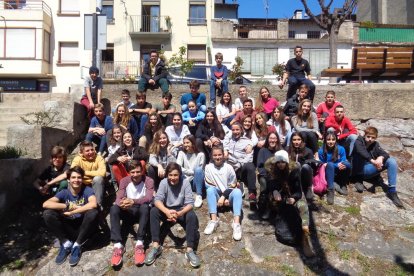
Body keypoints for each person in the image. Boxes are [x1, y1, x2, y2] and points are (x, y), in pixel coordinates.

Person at [145, 162, 201, 268]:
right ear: (167, 175)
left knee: (191, 215)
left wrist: (180, 213)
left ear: (180, 174)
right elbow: (157, 200)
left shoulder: (185, 183)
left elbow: (190, 203)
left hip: (181, 210)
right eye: (170, 175)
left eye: (175, 175)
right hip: (167, 211)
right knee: (154, 211)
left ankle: (190, 250)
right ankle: (156, 246)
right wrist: (166, 211)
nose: (173, 178)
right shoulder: (163, 183)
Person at [43, 166, 98, 266]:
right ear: (68, 179)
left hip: (83, 227)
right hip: (69, 228)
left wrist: (73, 212)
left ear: (82, 179)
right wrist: (67, 206)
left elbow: (93, 204)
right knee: (47, 214)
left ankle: (77, 245)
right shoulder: (64, 193)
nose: (76, 180)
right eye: (73, 177)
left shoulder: (87, 190)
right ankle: (66, 244)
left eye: (79, 177)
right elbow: (46, 204)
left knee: (93, 212)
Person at [264, 150, 315, 257]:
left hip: (291, 197)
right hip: (278, 198)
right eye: (278, 162)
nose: (280, 164)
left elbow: (298, 191)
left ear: (286, 162)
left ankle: (305, 236)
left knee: (303, 206)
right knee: (279, 206)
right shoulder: (271, 170)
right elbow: (270, 184)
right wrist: (274, 191)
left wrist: (293, 198)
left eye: (283, 162)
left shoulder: (294, 171)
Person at [109, 161, 154, 267]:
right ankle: (118, 245)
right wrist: (122, 204)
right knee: (114, 208)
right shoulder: (124, 181)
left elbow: (148, 197)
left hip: (141, 211)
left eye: (138, 172)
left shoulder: (148, 180)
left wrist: (133, 201)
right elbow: (119, 197)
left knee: (145, 207)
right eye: (132, 172)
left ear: (142, 171)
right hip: (128, 210)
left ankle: (139, 243)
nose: (135, 175)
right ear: (129, 172)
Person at [352, 126, 404, 208]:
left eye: (373, 137)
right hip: (358, 170)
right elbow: (360, 151)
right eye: (368, 136)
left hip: (369, 170)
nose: (370, 139)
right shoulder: (359, 141)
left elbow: (385, 154)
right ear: (364, 135)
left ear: (376, 138)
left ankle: (392, 191)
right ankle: (358, 180)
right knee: (361, 157)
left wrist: (381, 157)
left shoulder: (375, 145)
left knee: (391, 161)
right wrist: (373, 161)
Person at [204, 146, 243, 241]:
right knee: (209, 191)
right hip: (217, 197)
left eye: (219, 155)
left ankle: (236, 224)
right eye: (215, 155)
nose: (217, 157)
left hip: (228, 197)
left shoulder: (229, 167)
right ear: (212, 156)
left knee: (238, 191)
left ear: (223, 155)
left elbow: (233, 184)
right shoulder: (208, 167)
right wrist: (221, 197)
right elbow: (210, 185)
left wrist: (224, 197)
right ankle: (214, 220)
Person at [223, 122, 257, 207]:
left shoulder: (247, 142)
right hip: (230, 167)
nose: (235, 132)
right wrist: (225, 150)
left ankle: (252, 193)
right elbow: (223, 143)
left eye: (237, 129)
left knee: (250, 166)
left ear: (241, 130)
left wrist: (239, 165)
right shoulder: (228, 140)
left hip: (241, 167)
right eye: (233, 130)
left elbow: (249, 158)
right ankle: (235, 185)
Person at [318, 133, 351, 205]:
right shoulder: (321, 151)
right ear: (325, 140)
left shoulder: (341, 149)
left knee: (347, 164)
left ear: (336, 140)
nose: (331, 142)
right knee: (330, 164)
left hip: (340, 170)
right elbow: (323, 165)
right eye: (328, 139)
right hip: (328, 172)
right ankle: (330, 189)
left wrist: (338, 165)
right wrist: (335, 165)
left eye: (333, 139)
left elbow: (343, 160)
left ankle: (343, 184)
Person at [70, 141, 106, 207]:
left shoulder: (99, 158)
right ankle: (72, 205)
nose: (91, 152)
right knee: (71, 180)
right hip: (82, 184)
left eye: (92, 149)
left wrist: (84, 172)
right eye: (87, 151)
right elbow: (73, 172)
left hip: (94, 184)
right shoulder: (77, 159)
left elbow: (102, 173)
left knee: (98, 178)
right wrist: (93, 174)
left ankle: (98, 205)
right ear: (81, 152)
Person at [256, 132, 282, 219]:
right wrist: (269, 174)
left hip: (278, 175)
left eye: (274, 138)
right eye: (271, 138)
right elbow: (260, 167)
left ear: (277, 139)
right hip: (265, 175)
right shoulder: (262, 151)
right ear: (268, 139)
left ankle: (277, 208)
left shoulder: (280, 151)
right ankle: (265, 208)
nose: (272, 140)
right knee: (265, 182)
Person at [176, 135, 206, 208]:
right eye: (184, 143)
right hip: (185, 179)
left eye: (187, 142)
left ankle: (199, 195)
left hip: (195, 181)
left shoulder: (200, 155)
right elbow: (178, 166)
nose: (185, 145)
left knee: (198, 170)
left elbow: (200, 170)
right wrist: (191, 172)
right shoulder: (181, 153)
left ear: (193, 143)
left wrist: (190, 172)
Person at [288, 132, 315, 203]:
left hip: (305, 175)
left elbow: (312, 166)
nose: (296, 142)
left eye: (298, 139)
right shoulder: (287, 150)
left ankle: (308, 188)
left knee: (305, 166)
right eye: (294, 140)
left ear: (302, 140)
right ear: (291, 141)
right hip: (293, 177)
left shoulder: (308, 151)